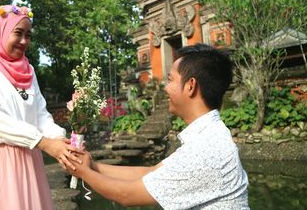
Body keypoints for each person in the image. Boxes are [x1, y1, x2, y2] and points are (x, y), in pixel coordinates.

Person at [68, 44, 250, 209]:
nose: (164, 87)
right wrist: (91, 165)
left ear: (190, 86)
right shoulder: (210, 136)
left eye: (170, 80)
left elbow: (127, 195)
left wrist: (83, 172)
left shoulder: (206, 150)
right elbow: (150, 172)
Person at [0, 5, 82, 210]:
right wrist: (43, 142)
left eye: (28, 35)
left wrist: (60, 142)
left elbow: (40, 114)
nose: (24, 41)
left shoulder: (28, 70)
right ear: (0, 32)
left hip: (29, 159)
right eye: (18, 33)